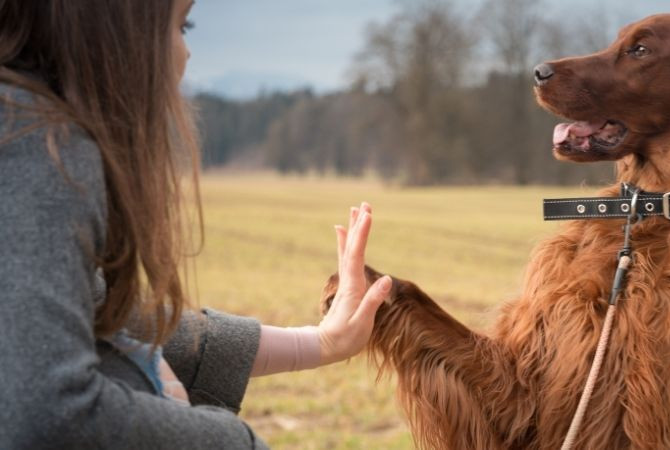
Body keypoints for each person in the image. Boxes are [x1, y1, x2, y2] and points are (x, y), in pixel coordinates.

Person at [0, 0, 391, 448]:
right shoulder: (38, 150)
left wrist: (319, 342)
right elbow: (48, 412)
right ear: (112, 26)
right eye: (181, 24)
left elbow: (96, 314)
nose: (186, 55)